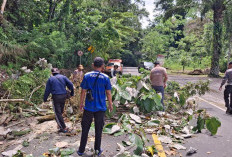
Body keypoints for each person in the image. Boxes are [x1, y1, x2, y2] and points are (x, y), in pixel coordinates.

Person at [77, 57, 113, 156]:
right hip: (101, 108)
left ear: (93, 65)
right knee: (98, 130)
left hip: (88, 107)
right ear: (102, 66)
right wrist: (110, 104)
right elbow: (108, 93)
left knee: (85, 129)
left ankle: (81, 150)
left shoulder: (87, 76)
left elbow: (83, 91)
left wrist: (81, 104)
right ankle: (97, 150)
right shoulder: (106, 78)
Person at [43, 68, 74, 133]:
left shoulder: (50, 79)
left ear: (52, 73)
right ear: (58, 72)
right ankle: (61, 125)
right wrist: (72, 93)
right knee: (61, 111)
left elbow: (47, 90)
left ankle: (63, 128)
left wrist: (45, 99)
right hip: (63, 96)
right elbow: (71, 85)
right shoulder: (63, 77)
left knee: (58, 113)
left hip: (56, 97)